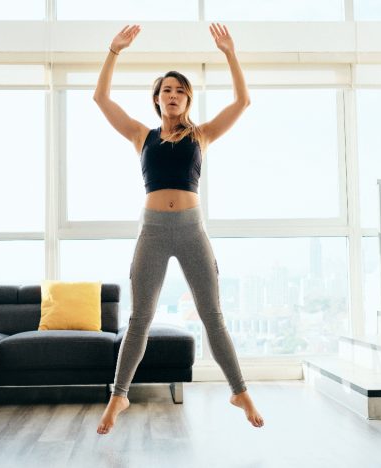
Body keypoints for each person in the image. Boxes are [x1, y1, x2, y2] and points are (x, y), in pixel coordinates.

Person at [93, 23, 264, 435]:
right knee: (141, 319)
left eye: (180, 91)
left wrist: (230, 53)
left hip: (191, 230)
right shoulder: (141, 135)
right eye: (166, 90)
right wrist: (114, 51)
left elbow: (243, 101)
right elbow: (101, 98)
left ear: (187, 99)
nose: (173, 96)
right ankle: (119, 395)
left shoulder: (201, 136)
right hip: (153, 230)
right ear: (157, 99)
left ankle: (239, 390)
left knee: (212, 315)